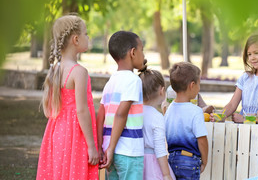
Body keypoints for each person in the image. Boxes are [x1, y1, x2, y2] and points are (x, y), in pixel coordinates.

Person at [37, 15, 99, 180]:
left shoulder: (56, 69)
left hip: (56, 132)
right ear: (76, 39)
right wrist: (92, 145)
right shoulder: (79, 72)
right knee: (74, 173)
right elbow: (81, 110)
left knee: (60, 173)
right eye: (86, 34)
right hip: (75, 135)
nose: (88, 37)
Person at [96, 31, 146, 179]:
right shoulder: (133, 80)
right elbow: (120, 114)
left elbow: (101, 117)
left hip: (109, 152)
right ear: (133, 52)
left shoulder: (111, 82)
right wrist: (111, 148)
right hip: (129, 152)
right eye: (142, 50)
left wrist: (101, 147)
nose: (143, 55)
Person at [165, 62, 208, 180]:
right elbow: (202, 139)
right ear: (192, 85)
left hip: (172, 161)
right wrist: (204, 161)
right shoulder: (196, 111)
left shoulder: (168, 110)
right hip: (190, 161)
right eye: (199, 84)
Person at [138, 67, 176, 180]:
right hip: (153, 164)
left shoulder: (134, 112)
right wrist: (166, 174)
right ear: (162, 90)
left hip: (137, 160)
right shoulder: (157, 117)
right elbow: (160, 148)